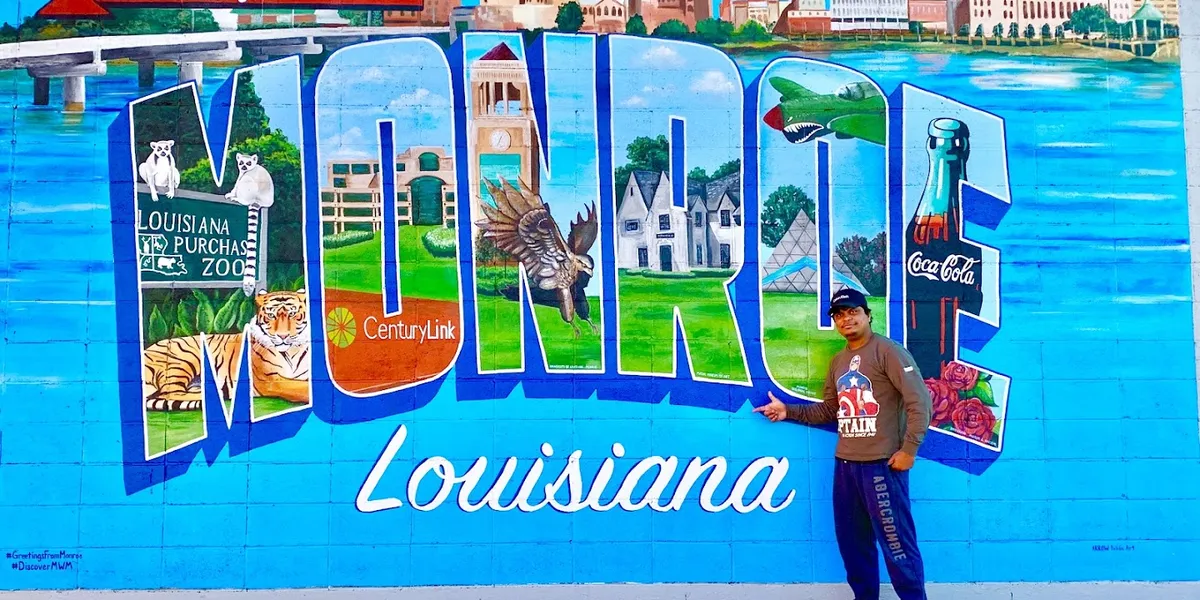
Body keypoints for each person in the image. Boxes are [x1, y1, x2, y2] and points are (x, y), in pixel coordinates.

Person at [754, 288, 933, 600]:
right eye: (839, 314)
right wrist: (787, 411)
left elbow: (920, 402)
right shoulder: (839, 361)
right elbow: (829, 411)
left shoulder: (888, 352)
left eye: (853, 312)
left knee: (897, 545)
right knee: (853, 546)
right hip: (846, 467)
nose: (846, 319)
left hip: (882, 466)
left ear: (867, 315)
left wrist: (910, 450)